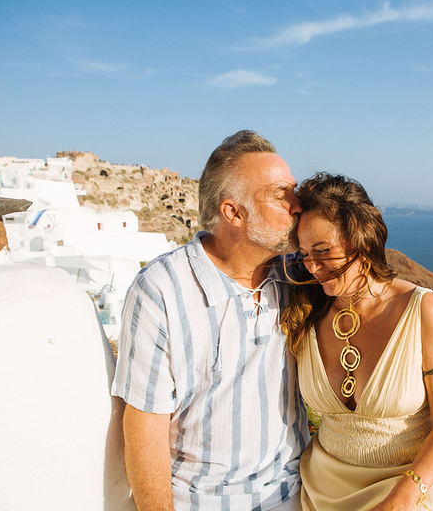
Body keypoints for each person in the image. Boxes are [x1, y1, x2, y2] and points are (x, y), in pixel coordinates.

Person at [111, 130, 309, 511]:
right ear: (232, 212)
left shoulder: (297, 276)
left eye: (294, 191)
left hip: (296, 495)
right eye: (280, 195)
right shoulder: (161, 290)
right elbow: (144, 427)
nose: (297, 205)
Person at [281, 173, 433, 510]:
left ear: (362, 241)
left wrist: (403, 497)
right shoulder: (303, 311)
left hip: (410, 488)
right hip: (321, 489)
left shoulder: (423, 311)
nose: (312, 266)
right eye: (305, 253)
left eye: (323, 251)